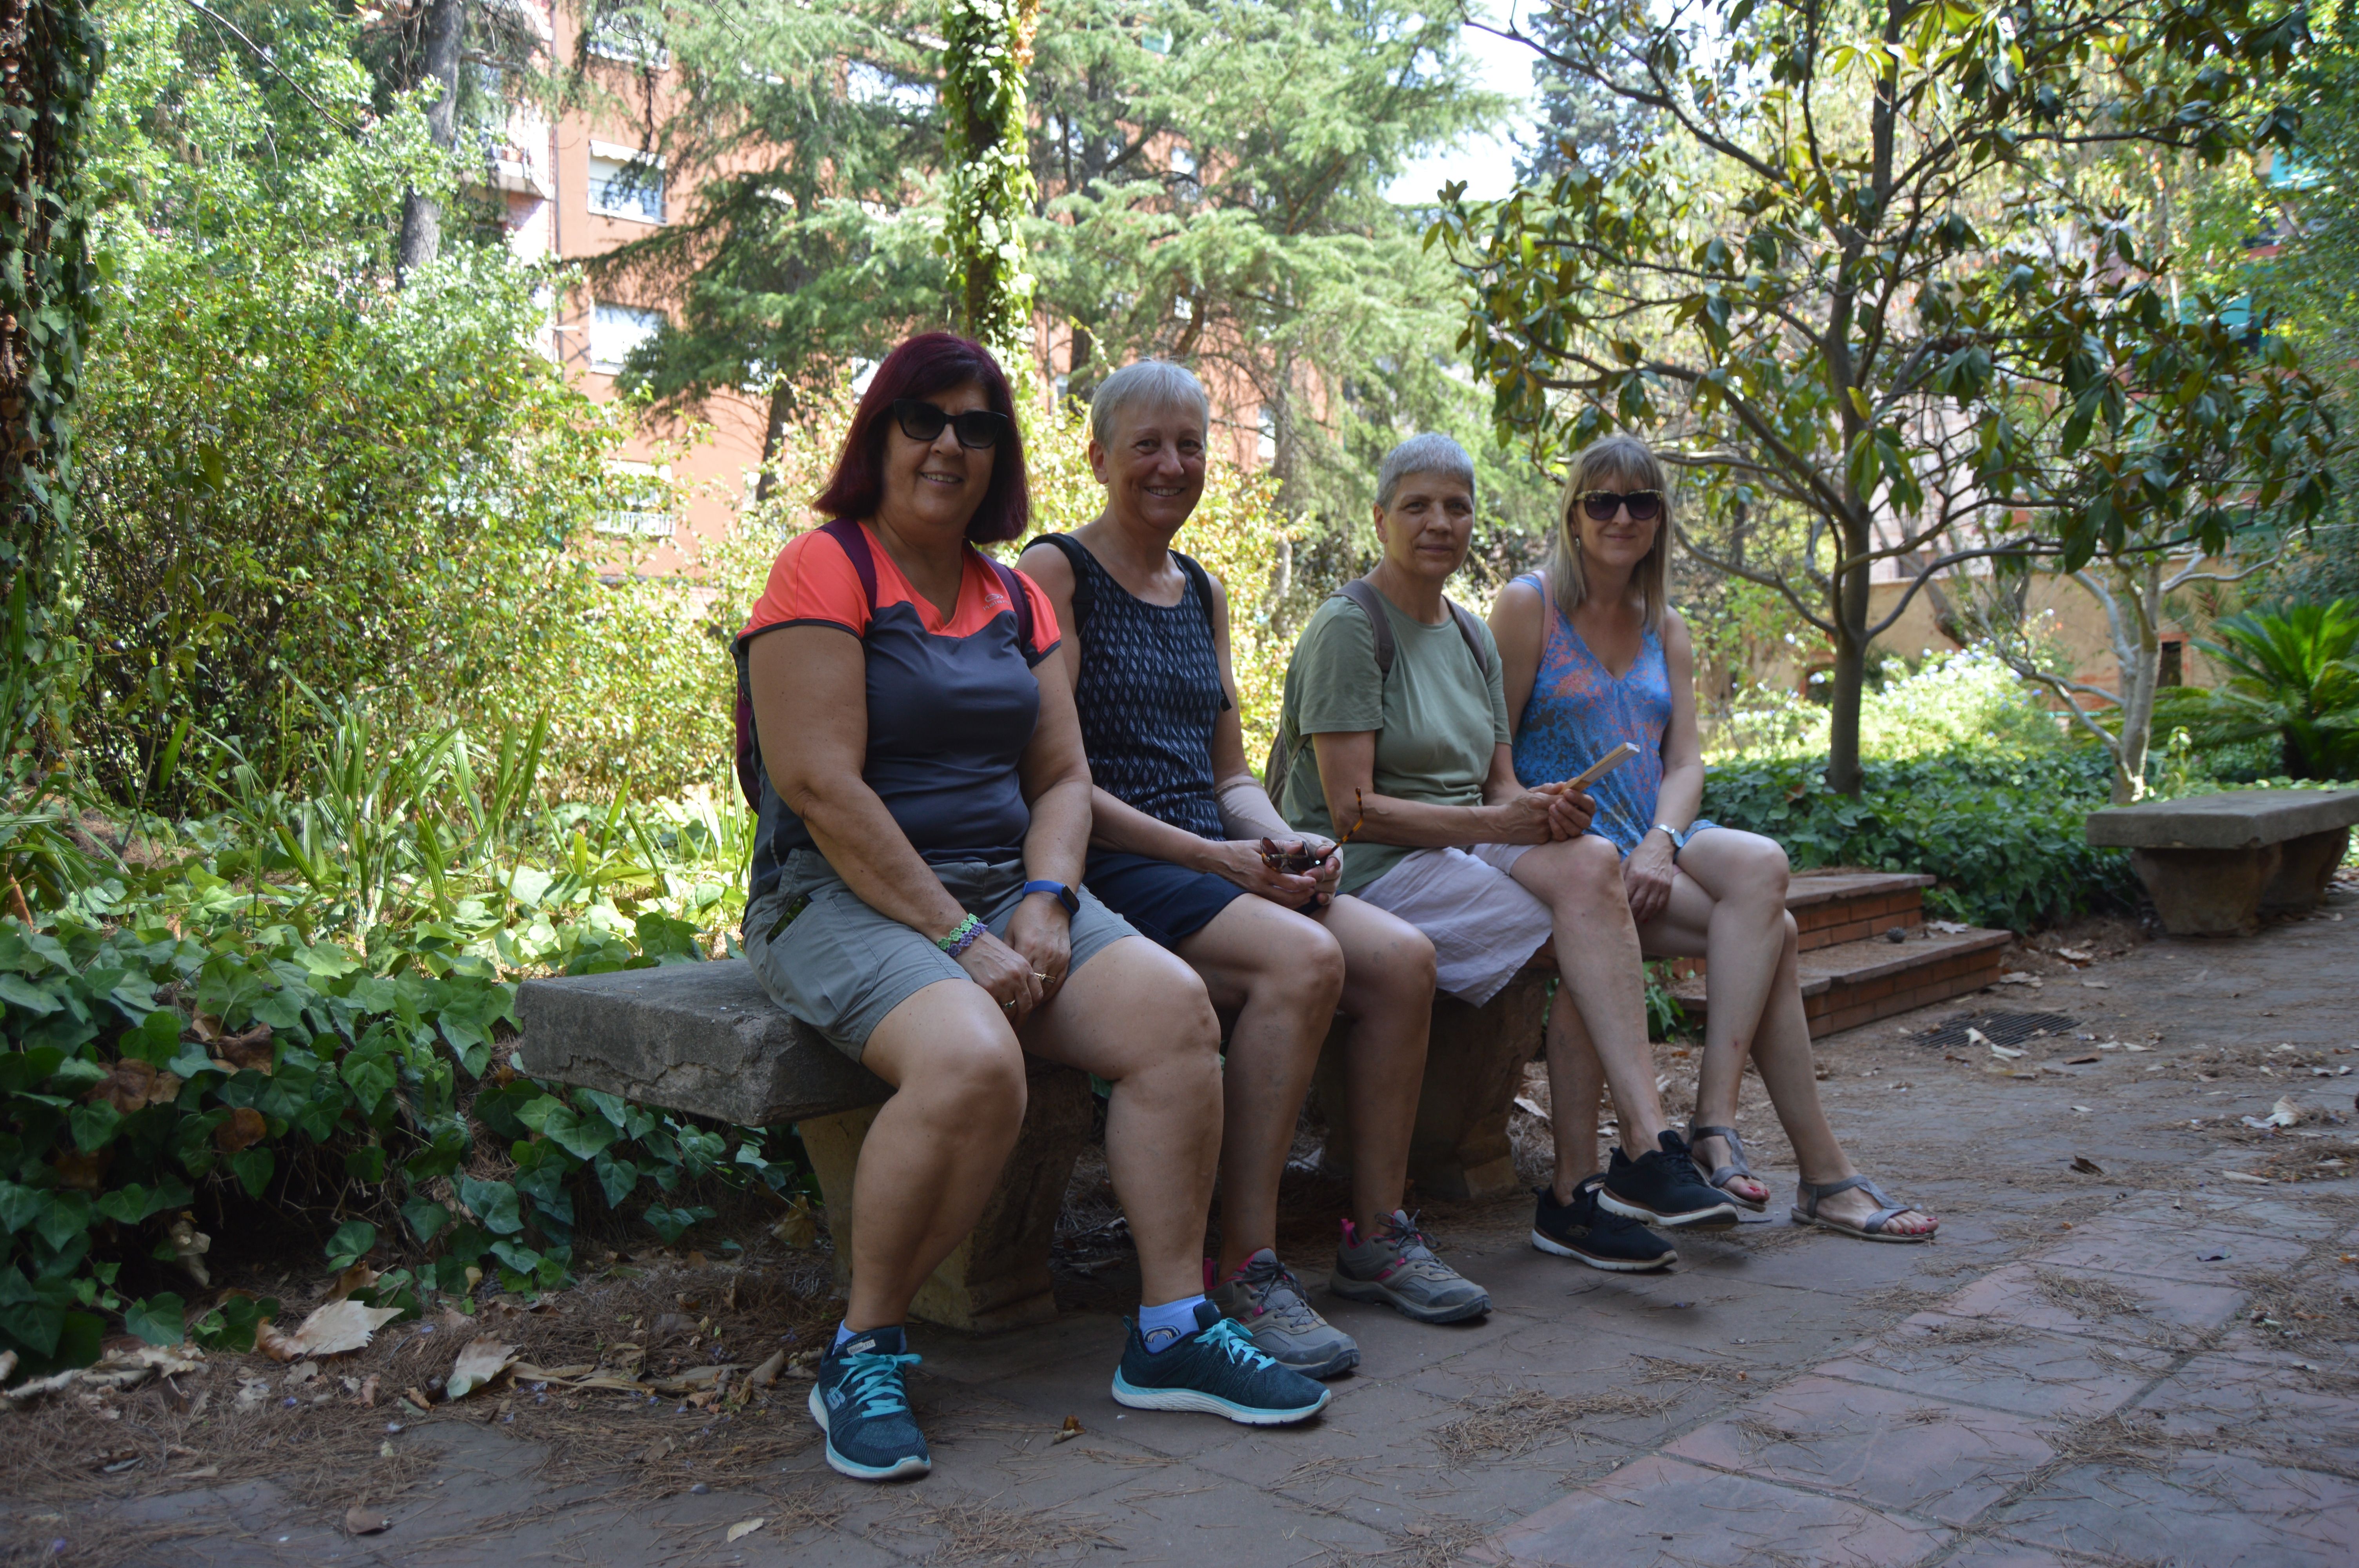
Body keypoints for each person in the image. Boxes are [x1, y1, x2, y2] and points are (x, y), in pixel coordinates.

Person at [736, 334, 1329, 1484]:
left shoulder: (1013, 596)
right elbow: (819, 786)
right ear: (881, 436)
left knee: (1171, 1016)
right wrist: (961, 939)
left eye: (978, 426)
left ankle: (1168, 1330)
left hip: (1010, 887)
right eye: (925, 419)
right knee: (974, 1062)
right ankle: (865, 1346)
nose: (950, 444)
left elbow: (1060, 780)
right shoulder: (824, 568)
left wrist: (1049, 903)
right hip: (842, 895)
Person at [1020, 362, 1479, 1383]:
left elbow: (1228, 774)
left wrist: (1281, 840)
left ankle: (1376, 1232)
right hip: (1112, 861)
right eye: (1147, 445)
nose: (1172, 465)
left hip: (1212, 850)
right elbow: (1050, 778)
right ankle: (1245, 1261)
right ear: (1098, 458)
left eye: (1190, 444)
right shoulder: (1055, 574)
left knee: (1401, 959)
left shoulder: (1204, 592)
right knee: (1302, 962)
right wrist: (1217, 857)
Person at [1272, 433, 1739, 1278]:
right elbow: (1351, 812)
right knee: (1590, 925)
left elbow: (1494, 785)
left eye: (1455, 506)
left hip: (1454, 855)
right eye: (1416, 505)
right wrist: (1501, 825)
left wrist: (1536, 810)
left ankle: (1629, 1151)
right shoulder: (1350, 626)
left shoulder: (1466, 634)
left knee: (1593, 863)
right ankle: (1586, 1184)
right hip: (1365, 873)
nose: (1438, 522)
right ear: (1380, 518)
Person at [1490, 433, 1937, 1243]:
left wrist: (1661, 841)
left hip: (1648, 835)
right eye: (1602, 500)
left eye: (1641, 501)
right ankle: (1822, 1173)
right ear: (1573, 513)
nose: (1621, 516)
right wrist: (1549, 824)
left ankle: (1712, 1118)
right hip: (1561, 851)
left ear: (1660, 518)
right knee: (1781, 935)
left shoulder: (1667, 625)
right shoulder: (1528, 607)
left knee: (1762, 871)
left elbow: (1685, 761)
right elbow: (1494, 758)